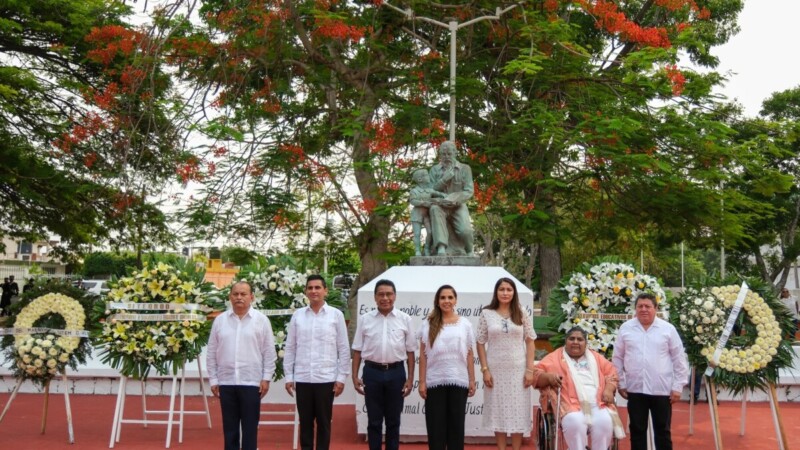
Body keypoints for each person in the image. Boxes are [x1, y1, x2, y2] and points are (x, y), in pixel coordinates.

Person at [612, 293, 689, 450]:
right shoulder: (626, 329)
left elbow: (679, 359)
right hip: (635, 389)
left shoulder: (668, 329)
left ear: (656, 308)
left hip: (662, 390)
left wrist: (678, 386)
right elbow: (617, 358)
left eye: (648, 306)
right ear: (635, 309)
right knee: (637, 431)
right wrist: (621, 382)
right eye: (640, 306)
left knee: (663, 431)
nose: (644, 309)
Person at [207, 281, 277, 450]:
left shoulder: (261, 320)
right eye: (235, 294)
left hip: (251, 383)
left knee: (250, 430)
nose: (239, 297)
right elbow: (211, 352)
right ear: (230, 297)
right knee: (229, 431)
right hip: (226, 382)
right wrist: (214, 380)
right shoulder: (220, 321)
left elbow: (269, 352)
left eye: (243, 294)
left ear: (251, 297)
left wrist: (266, 378)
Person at [284, 274, 351, 450]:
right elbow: (290, 348)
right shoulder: (298, 316)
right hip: (303, 378)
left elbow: (343, 348)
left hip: (326, 378)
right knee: (305, 424)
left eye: (318, 287)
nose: (314, 291)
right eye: (310, 288)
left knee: (324, 423)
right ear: (306, 291)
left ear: (325, 291)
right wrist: (288, 377)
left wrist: (341, 378)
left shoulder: (336, 316)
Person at [534, 327, 625, 450]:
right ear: (566, 341)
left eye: (580, 339)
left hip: (599, 403)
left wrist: (609, 389)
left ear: (586, 343)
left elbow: (612, 374)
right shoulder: (554, 358)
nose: (575, 342)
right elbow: (536, 375)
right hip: (570, 405)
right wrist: (548, 377)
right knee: (575, 423)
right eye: (572, 339)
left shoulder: (596, 357)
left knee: (605, 422)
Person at [351, 279, 416, 450]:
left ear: (394, 296)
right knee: (374, 421)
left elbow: (410, 351)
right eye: (381, 294)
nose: (385, 298)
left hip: (396, 373)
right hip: (372, 373)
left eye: (389, 294)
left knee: (394, 422)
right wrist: (354, 376)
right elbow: (357, 349)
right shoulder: (365, 319)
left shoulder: (405, 319)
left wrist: (410, 379)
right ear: (375, 297)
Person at [476, 278, 537, 450]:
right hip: (495, 371)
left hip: (518, 370)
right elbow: (480, 342)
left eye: (509, 289)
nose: (505, 293)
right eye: (501, 289)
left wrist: (529, 370)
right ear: (496, 292)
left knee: (517, 411)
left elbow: (530, 341)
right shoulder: (486, 313)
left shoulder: (521, 312)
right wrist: (485, 370)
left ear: (514, 292)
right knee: (498, 411)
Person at [418, 284, 476, 450]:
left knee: (456, 428)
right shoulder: (427, 324)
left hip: (459, 381)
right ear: (437, 301)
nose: (446, 301)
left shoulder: (465, 324)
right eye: (443, 297)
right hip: (434, 380)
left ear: (455, 300)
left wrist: (472, 380)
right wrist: (422, 382)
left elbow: (470, 354)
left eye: (450, 297)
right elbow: (422, 355)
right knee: (435, 427)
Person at [428, 141, 475, 256]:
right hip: (440, 205)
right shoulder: (434, 170)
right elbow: (430, 191)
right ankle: (441, 247)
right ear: (440, 155)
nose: (446, 157)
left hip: (458, 205)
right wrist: (444, 180)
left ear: (455, 153)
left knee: (465, 231)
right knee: (434, 209)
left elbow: (469, 190)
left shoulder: (465, 168)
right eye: (443, 154)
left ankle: (469, 249)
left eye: (449, 154)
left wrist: (455, 199)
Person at [409, 168, 446, 256]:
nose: (429, 176)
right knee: (417, 234)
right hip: (417, 215)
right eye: (426, 175)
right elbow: (413, 201)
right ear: (420, 179)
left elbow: (438, 193)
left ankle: (426, 248)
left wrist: (446, 196)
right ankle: (417, 250)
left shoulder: (429, 190)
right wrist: (424, 203)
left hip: (426, 215)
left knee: (430, 232)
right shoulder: (414, 191)